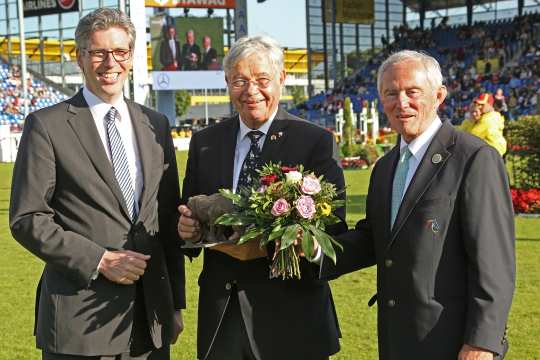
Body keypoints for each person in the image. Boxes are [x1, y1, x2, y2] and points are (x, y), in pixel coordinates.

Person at [9, 8, 185, 359]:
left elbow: (166, 222)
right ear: (80, 58)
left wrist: (174, 303)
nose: (110, 62)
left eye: (119, 52)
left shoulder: (156, 125)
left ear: (131, 58)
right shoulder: (46, 125)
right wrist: (100, 259)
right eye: (98, 52)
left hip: (148, 322)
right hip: (81, 322)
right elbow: (27, 218)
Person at [321, 50, 515, 360]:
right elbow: (375, 239)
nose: (402, 102)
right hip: (398, 337)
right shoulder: (384, 167)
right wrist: (314, 252)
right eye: (391, 93)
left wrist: (483, 342)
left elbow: (494, 261)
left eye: (413, 92)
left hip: (453, 341)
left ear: (438, 96)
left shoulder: (474, 158)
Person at [177, 35, 347, 360]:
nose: (251, 91)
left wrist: (299, 240)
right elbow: (186, 211)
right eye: (240, 80)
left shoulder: (314, 141)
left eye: (262, 80)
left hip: (292, 321)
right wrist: (185, 229)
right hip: (222, 318)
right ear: (227, 82)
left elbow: (335, 228)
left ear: (281, 79)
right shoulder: (205, 143)